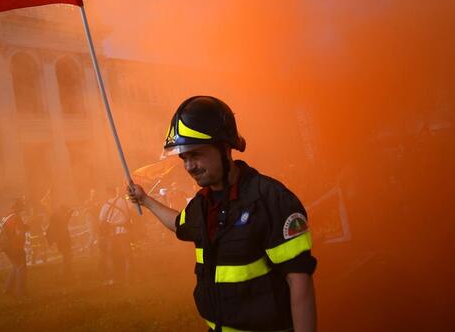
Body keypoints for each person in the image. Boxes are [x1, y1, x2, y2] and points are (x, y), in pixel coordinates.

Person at [127, 96, 318, 332]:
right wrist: (145, 200)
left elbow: (299, 282)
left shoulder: (270, 199)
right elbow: (180, 224)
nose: (189, 166)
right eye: (184, 158)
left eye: (196, 154)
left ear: (225, 147)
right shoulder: (202, 203)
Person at [99, 187, 132, 285]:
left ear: (108, 194)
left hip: (112, 234)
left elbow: (101, 219)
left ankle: (115, 278)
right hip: (124, 231)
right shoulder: (124, 201)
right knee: (127, 256)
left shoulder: (105, 205)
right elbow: (131, 211)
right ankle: (129, 278)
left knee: (112, 257)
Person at [0, 199, 28, 298]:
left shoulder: (6, 217)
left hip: (6, 246)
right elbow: (19, 232)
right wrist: (21, 243)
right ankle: (21, 292)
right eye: (22, 207)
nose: (23, 209)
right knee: (21, 268)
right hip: (15, 246)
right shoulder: (17, 217)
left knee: (15, 266)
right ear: (19, 208)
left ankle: (8, 289)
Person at [45, 205, 74, 278]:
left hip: (63, 239)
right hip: (63, 240)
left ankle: (67, 272)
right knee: (67, 256)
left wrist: (69, 214)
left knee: (68, 256)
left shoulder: (56, 216)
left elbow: (64, 223)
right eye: (65, 211)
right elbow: (63, 224)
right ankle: (65, 273)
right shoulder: (58, 217)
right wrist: (69, 215)